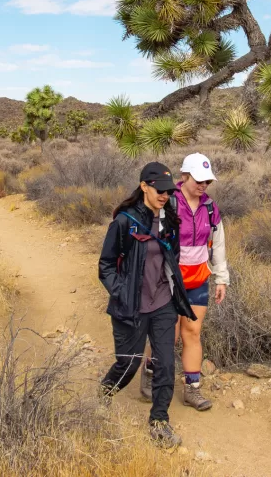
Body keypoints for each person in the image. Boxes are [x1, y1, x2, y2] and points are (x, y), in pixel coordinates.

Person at [98, 161, 196, 448]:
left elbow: (171, 256)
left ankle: (159, 421)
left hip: (163, 303)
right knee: (128, 364)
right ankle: (104, 393)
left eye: (168, 191)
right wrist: (121, 291)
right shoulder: (125, 221)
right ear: (144, 186)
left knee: (165, 363)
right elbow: (105, 265)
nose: (164, 196)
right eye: (159, 190)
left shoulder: (170, 220)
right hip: (131, 306)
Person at [139, 153, 229, 412]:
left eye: (207, 181)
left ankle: (192, 388)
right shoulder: (168, 203)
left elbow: (218, 244)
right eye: (198, 180)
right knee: (170, 334)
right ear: (184, 177)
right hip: (168, 279)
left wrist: (221, 278)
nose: (203, 186)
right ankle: (150, 371)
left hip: (198, 278)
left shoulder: (210, 208)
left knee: (192, 332)